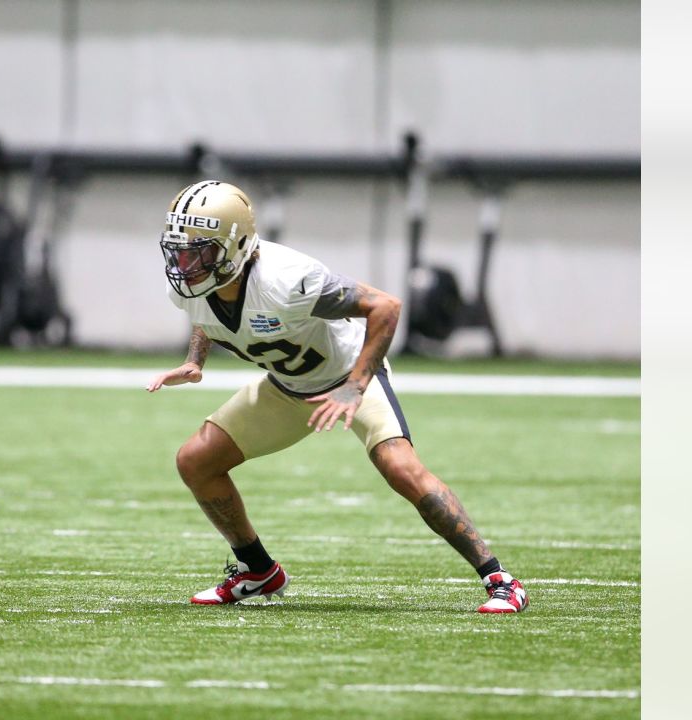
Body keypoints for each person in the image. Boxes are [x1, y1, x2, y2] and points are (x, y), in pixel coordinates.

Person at [145, 181, 527, 614]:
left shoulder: (287, 279)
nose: (184, 262)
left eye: (199, 250)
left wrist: (357, 383)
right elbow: (206, 313)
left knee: (401, 468)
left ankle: (500, 580)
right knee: (195, 460)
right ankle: (259, 571)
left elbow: (385, 306)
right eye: (181, 249)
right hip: (288, 387)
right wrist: (196, 361)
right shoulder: (191, 285)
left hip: (346, 376)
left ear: (235, 248)